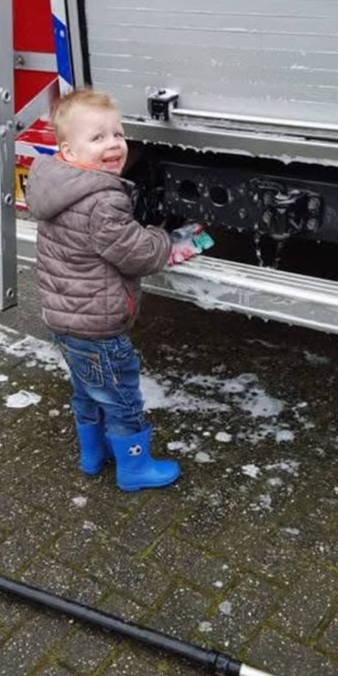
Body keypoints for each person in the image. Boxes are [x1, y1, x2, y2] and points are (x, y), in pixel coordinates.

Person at [25, 88, 200, 492]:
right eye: (98, 137)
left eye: (118, 134)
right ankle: (134, 469)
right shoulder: (102, 199)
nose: (113, 145)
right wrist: (162, 238)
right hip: (98, 327)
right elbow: (135, 253)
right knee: (121, 399)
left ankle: (92, 455)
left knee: (88, 392)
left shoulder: (58, 187)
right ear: (68, 150)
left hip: (66, 320)